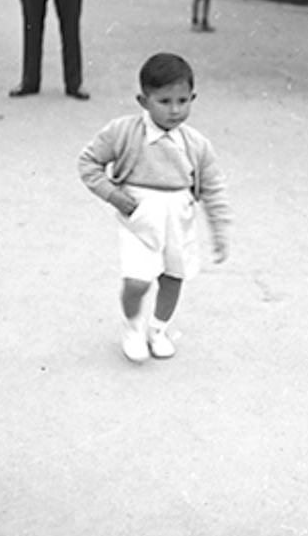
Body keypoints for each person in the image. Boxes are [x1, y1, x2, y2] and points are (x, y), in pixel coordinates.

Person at [77, 53, 231, 363]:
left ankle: (158, 329)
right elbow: (88, 163)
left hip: (179, 218)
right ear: (144, 100)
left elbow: (213, 189)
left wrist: (220, 230)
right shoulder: (122, 132)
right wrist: (112, 194)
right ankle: (133, 327)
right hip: (140, 220)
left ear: (192, 98)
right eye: (164, 101)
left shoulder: (197, 144)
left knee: (173, 278)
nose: (175, 110)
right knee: (137, 281)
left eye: (183, 100)